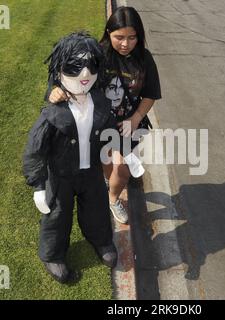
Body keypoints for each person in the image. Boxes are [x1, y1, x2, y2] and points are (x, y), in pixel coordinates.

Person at [48, 6, 161, 225]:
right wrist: (56, 89)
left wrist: (136, 118)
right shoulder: (96, 55)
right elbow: (67, 72)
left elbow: (150, 95)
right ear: (108, 33)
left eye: (132, 37)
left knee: (123, 169)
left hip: (127, 124)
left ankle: (112, 198)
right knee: (108, 162)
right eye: (119, 37)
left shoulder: (144, 59)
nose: (125, 44)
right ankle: (108, 181)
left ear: (139, 36)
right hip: (97, 121)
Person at [23, 32, 118, 284]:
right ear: (60, 70)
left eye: (91, 65)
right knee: (57, 214)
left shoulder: (101, 103)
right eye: (75, 67)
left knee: (96, 209)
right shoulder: (53, 113)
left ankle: (101, 240)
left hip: (91, 173)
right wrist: (38, 185)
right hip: (61, 175)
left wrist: (123, 153)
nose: (85, 74)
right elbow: (35, 148)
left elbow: (110, 132)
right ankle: (52, 254)